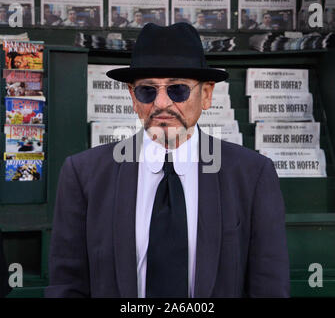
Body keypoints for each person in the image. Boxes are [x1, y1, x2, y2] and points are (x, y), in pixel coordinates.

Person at [45, 22, 290, 298]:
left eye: (178, 90)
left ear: (206, 95)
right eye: (147, 91)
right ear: (133, 98)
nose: (161, 103)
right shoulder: (84, 174)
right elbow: (67, 285)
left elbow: (269, 286)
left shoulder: (251, 174)